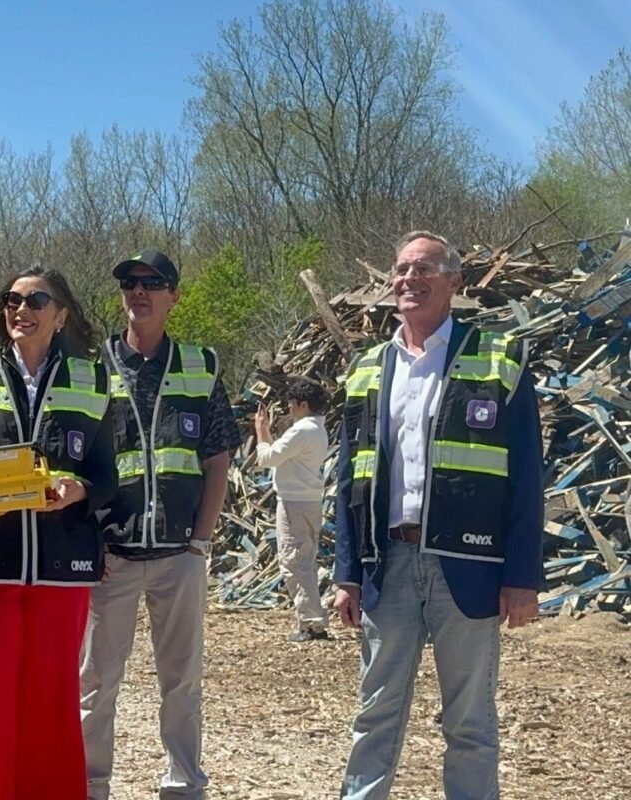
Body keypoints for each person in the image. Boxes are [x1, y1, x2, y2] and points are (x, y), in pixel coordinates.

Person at [333, 230, 543, 799]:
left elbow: (527, 477)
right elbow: (349, 478)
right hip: (389, 561)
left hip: (467, 565)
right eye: (401, 269)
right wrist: (346, 571)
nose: (409, 279)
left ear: (454, 281)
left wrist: (522, 577)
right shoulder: (368, 367)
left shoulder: (500, 361)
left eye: (424, 268)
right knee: (375, 713)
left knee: (469, 722)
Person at [0, 267, 116, 800]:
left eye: (37, 299)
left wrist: (79, 490)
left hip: (60, 576)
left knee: (51, 716)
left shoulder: (93, 380)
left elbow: (108, 475)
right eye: (11, 298)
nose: (21, 308)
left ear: (60, 315)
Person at [80, 248, 240, 800]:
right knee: (95, 682)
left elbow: (217, 458)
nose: (139, 292)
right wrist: (87, 544)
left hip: (179, 554)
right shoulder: (91, 368)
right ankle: (91, 783)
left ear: (173, 295)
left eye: (152, 283)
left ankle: (182, 783)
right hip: (111, 556)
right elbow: (72, 464)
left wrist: (201, 540)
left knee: (182, 681)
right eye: (129, 282)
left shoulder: (199, 365)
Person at [253, 378, 332, 642]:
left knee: (294, 563)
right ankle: (310, 620)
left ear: (303, 404)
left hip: (293, 503)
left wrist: (259, 433)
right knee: (304, 561)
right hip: (309, 501)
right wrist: (264, 432)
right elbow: (278, 455)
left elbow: (267, 458)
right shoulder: (317, 430)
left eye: (292, 404)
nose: (289, 409)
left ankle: (312, 622)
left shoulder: (302, 430)